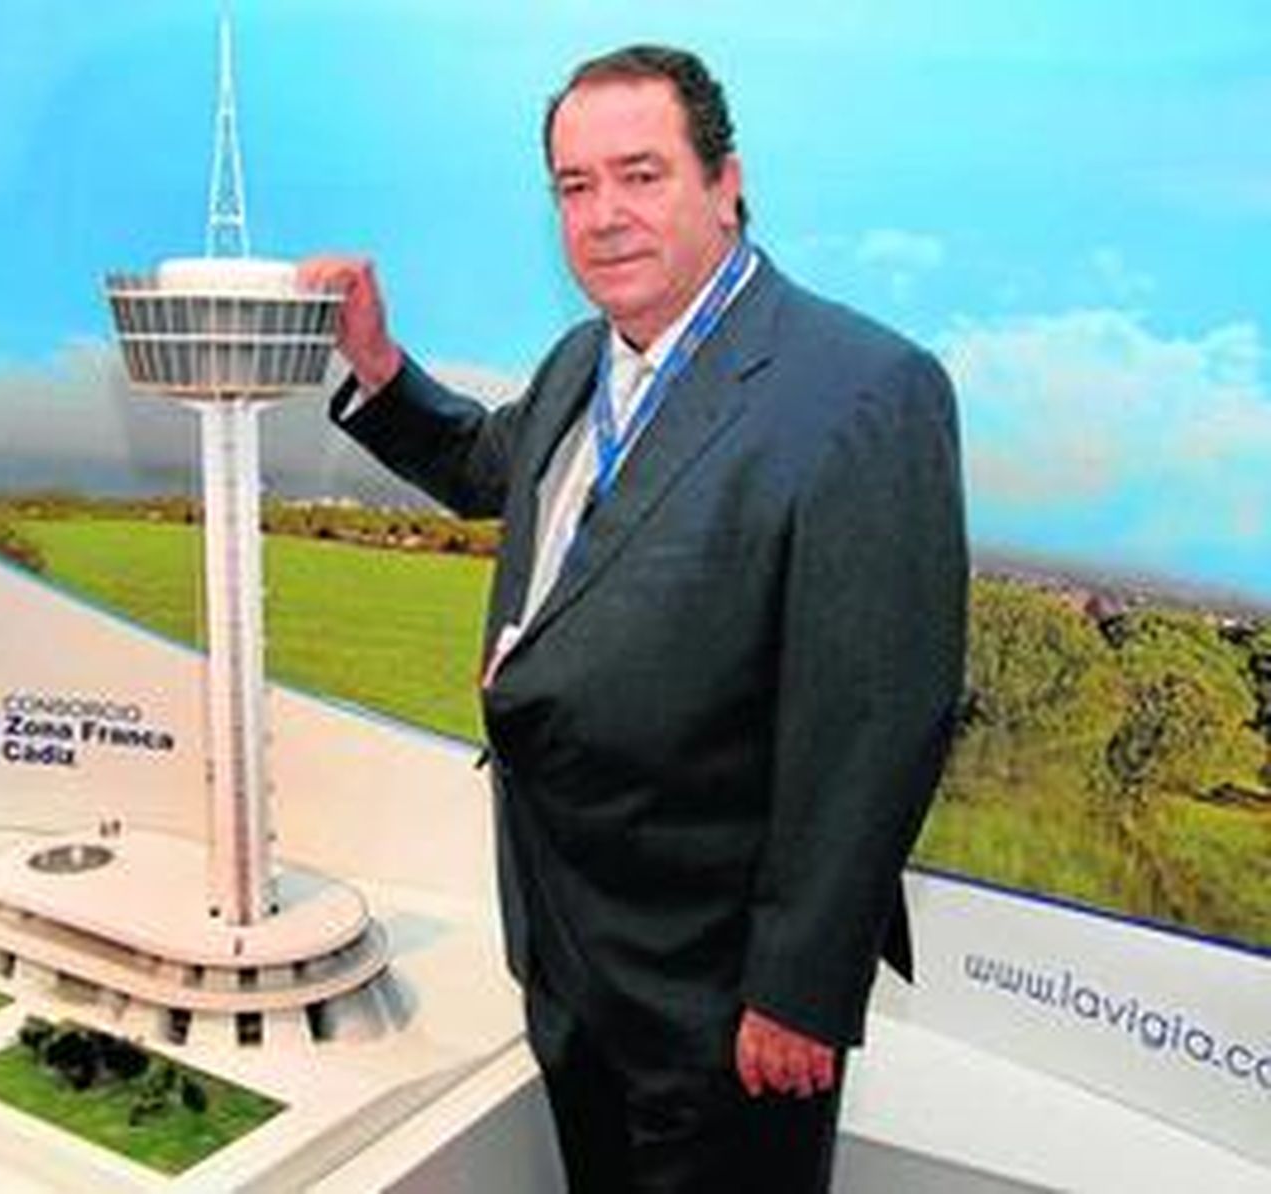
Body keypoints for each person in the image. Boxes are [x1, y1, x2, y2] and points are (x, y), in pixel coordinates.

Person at [300, 43, 967, 1193]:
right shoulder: (584, 361)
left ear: (725, 182)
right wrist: (376, 362)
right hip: (568, 946)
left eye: (640, 175)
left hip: (715, 991)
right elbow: (484, 464)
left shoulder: (864, 390)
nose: (603, 216)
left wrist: (797, 990)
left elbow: (879, 720)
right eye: (574, 186)